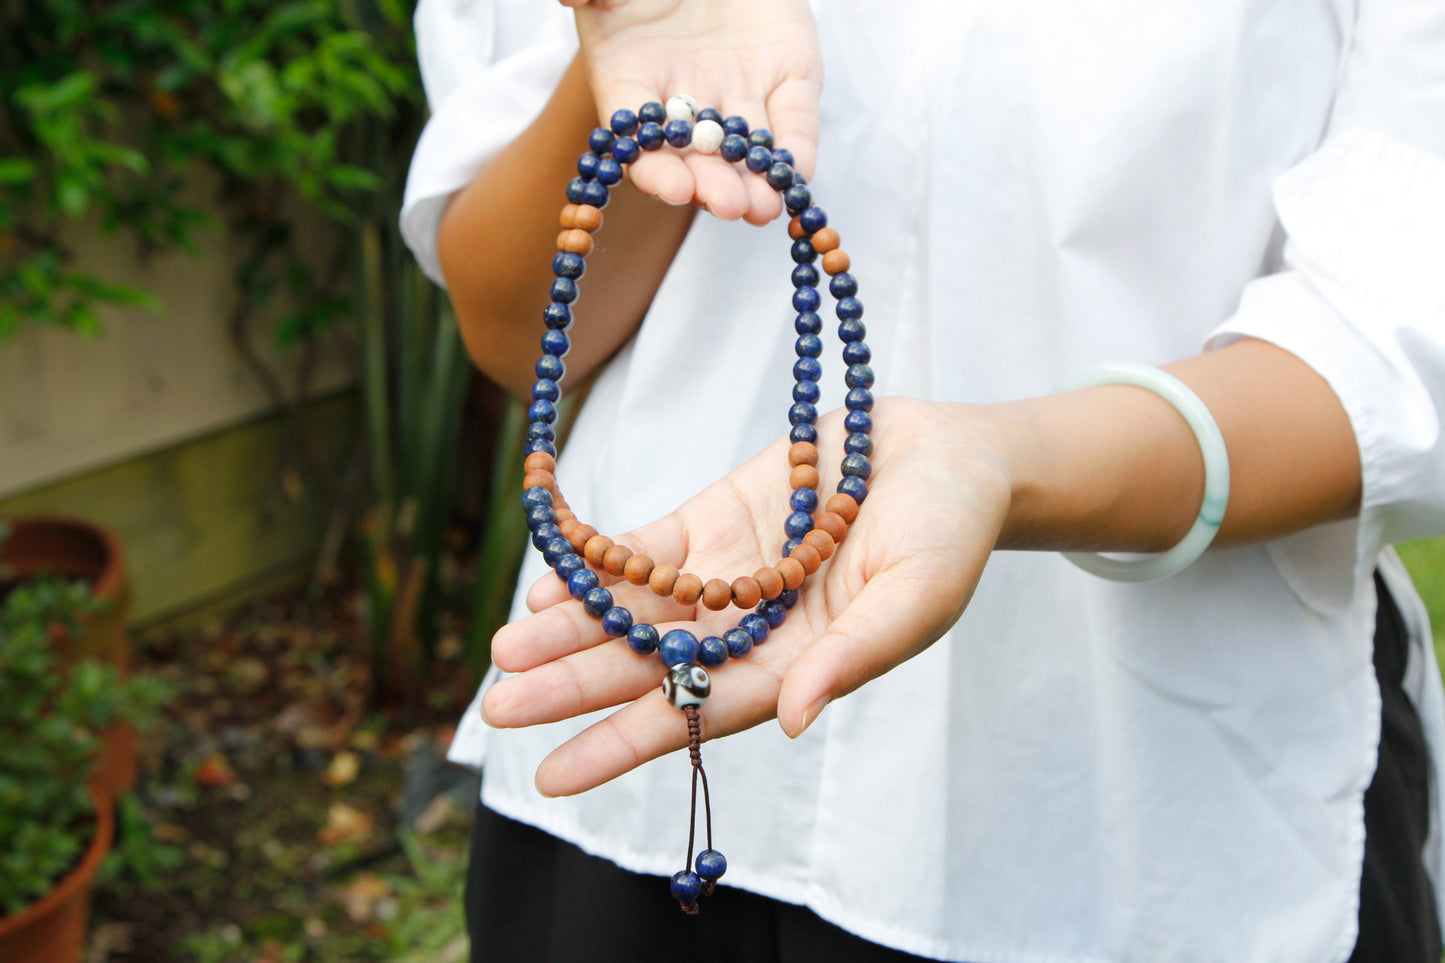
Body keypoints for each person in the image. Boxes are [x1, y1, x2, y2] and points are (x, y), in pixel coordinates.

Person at [400, 1, 1445, 960]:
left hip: (1151, 816)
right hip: (633, 776)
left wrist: (1004, 460)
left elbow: (1389, 355)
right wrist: (620, 62)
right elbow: (516, 328)